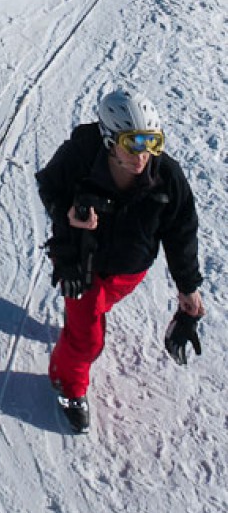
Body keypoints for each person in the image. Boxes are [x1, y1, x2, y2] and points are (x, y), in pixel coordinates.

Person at [37, 87, 204, 434]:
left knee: (93, 314)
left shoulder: (167, 176)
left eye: (152, 142)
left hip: (128, 271)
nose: (143, 156)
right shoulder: (81, 156)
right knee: (87, 341)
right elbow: (48, 184)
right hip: (80, 263)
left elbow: (181, 232)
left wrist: (188, 288)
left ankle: (80, 323)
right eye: (133, 143)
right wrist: (67, 213)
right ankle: (67, 385)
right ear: (111, 139)